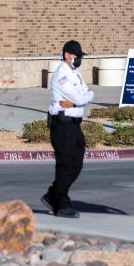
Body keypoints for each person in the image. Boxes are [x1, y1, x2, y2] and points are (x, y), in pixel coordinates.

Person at [41, 40, 94, 218]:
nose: (79, 59)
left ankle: (52, 194)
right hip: (62, 125)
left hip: (75, 124)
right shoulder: (61, 75)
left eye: (80, 56)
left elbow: (89, 94)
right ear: (66, 55)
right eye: (76, 56)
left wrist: (79, 99)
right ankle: (61, 203)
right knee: (65, 165)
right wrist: (79, 99)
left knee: (77, 164)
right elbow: (80, 97)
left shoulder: (75, 73)